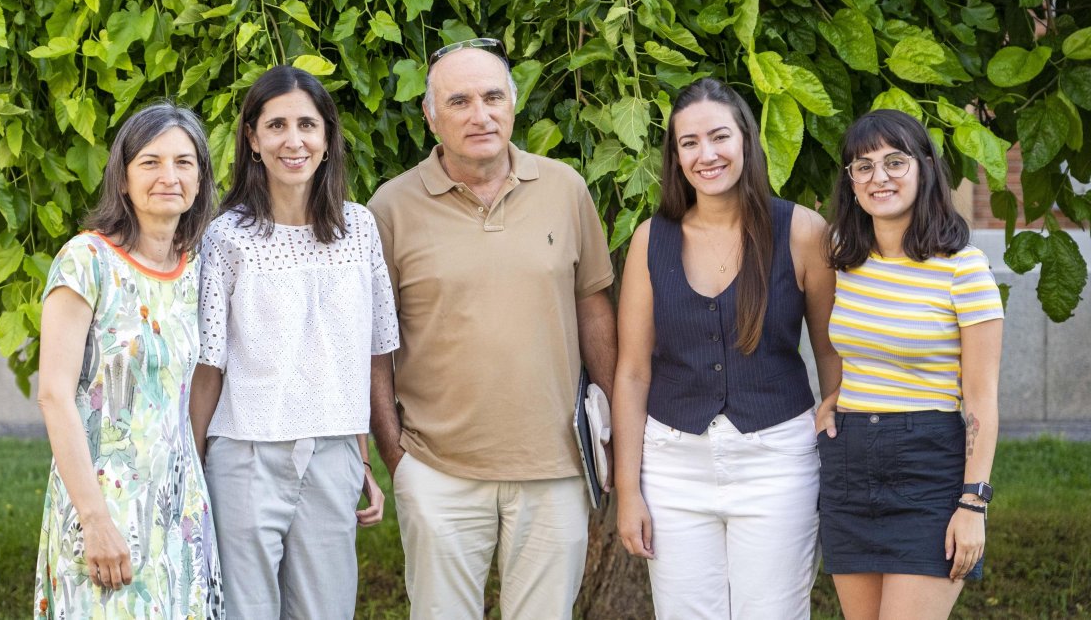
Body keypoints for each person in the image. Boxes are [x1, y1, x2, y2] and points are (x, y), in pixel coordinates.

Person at [366, 37, 617, 620]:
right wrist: (396, 456)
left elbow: (593, 310)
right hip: (437, 469)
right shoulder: (391, 207)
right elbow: (375, 344)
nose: (479, 115)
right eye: (458, 102)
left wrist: (611, 428)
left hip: (556, 466)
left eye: (492, 97)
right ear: (431, 117)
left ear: (513, 103)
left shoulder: (565, 188)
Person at [613, 78, 842, 619]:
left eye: (719, 137)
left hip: (777, 462)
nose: (706, 155)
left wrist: (835, 411)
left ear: (746, 139)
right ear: (675, 155)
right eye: (688, 143)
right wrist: (628, 490)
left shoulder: (802, 231)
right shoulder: (652, 237)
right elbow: (631, 373)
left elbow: (834, 350)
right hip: (672, 466)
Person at [188, 65, 397, 619]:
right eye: (276, 125)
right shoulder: (227, 236)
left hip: (332, 457)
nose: (293, 140)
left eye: (307, 124)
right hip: (245, 455)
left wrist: (365, 462)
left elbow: (366, 356)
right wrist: (190, 465)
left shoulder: (360, 229)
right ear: (253, 139)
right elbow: (209, 366)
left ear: (327, 139)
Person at [34, 102, 223, 617]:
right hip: (103, 506)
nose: (169, 176)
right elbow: (54, 394)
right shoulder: (86, 260)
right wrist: (93, 519)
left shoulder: (196, 267)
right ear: (122, 178)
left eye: (185, 163)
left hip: (178, 507)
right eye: (151, 162)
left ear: (202, 179)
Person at [818, 109, 1003, 619]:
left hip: (928, 472)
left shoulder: (963, 269)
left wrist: (973, 503)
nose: (879, 177)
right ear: (851, 182)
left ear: (924, 168)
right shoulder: (842, 257)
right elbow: (849, 346)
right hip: (850, 466)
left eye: (895, 162)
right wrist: (833, 396)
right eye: (863, 166)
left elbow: (982, 397)